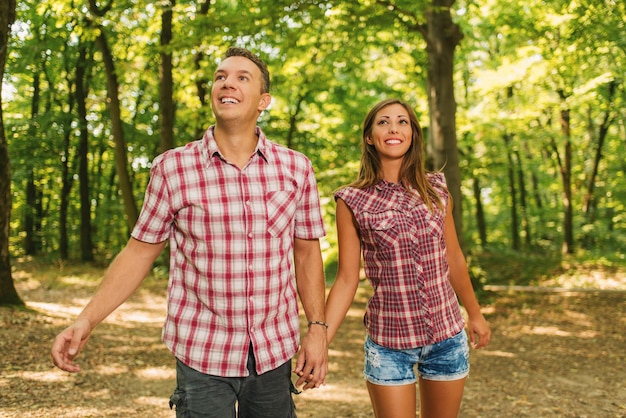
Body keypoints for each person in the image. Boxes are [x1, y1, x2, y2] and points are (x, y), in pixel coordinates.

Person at [51, 47, 328, 418]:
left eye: (242, 77)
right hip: (202, 352)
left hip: (273, 351)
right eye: (220, 76)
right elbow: (139, 252)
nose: (227, 82)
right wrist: (86, 319)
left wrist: (317, 329)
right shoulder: (172, 168)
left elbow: (307, 254)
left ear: (264, 101)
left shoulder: (296, 168)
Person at [324, 98, 491, 418]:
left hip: (446, 338)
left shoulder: (436, 188)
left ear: (413, 134)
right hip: (389, 344)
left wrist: (475, 313)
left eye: (403, 122)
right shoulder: (351, 200)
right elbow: (347, 278)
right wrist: (322, 340)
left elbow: (454, 259)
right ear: (370, 137)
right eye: (383, 122)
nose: (394, 128)